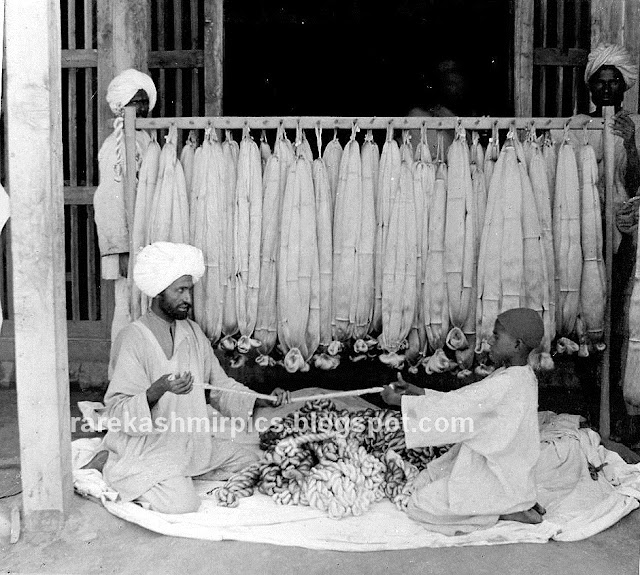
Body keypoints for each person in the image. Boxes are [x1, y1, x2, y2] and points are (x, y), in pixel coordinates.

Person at [94, 241, 289, 514]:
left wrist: (262, 400)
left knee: (253, 462)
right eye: (180, 290)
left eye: (190, 290)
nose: (188, 298)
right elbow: (116, 410)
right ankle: (120, 466)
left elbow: (219, 387)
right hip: (152, 446)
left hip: (192, 443)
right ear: (159, 291)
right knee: (183, 504)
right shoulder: (133, 338)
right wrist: (158, 389)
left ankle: (178, 474)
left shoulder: (193, 332)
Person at [381, 307, 545, 535]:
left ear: (517, 344)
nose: (489, 341)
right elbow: (463, 402)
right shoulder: (521, 376)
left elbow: (459, 409)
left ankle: (506, 509)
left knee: (421, 505)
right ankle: (518, 501)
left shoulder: (505, 383)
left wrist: (400, 403)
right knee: (433, 481)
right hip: (513, 475)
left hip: (499, 474)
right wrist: (416, 392)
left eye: (497, 336)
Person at [581, 45, 640, 446]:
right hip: (585, 236)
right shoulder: (575, 126)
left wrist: (631, 143)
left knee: (619, 319)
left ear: (624, 86)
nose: (606, 88)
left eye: (613, 81)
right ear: (590, 86)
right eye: (599, 81)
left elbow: (635, 184)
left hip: (622, 233)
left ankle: (617, 409)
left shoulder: (633, 127)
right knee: (588, 322)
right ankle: (589, 407)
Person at [93, 69, 157, 342]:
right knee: (127, 307)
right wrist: (121, 248)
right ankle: (121, 374)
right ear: (121, 106)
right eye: (135, 102)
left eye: (144, 101)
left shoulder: (145, 139)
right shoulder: (114, 147)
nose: (141, 108)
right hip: (126, 242)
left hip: (146, 237)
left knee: (146, 308)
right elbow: (109, 199)